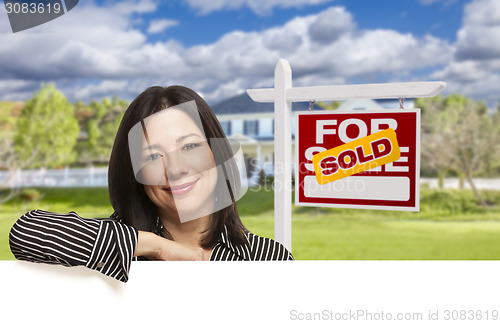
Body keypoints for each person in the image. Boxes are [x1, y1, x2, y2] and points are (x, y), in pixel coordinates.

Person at [9, 86, 293, 283]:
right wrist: (156, 247)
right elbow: (26, 233)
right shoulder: (116, 245)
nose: (176, 168)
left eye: (190, 146)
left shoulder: (268, 258)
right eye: (154, 156)